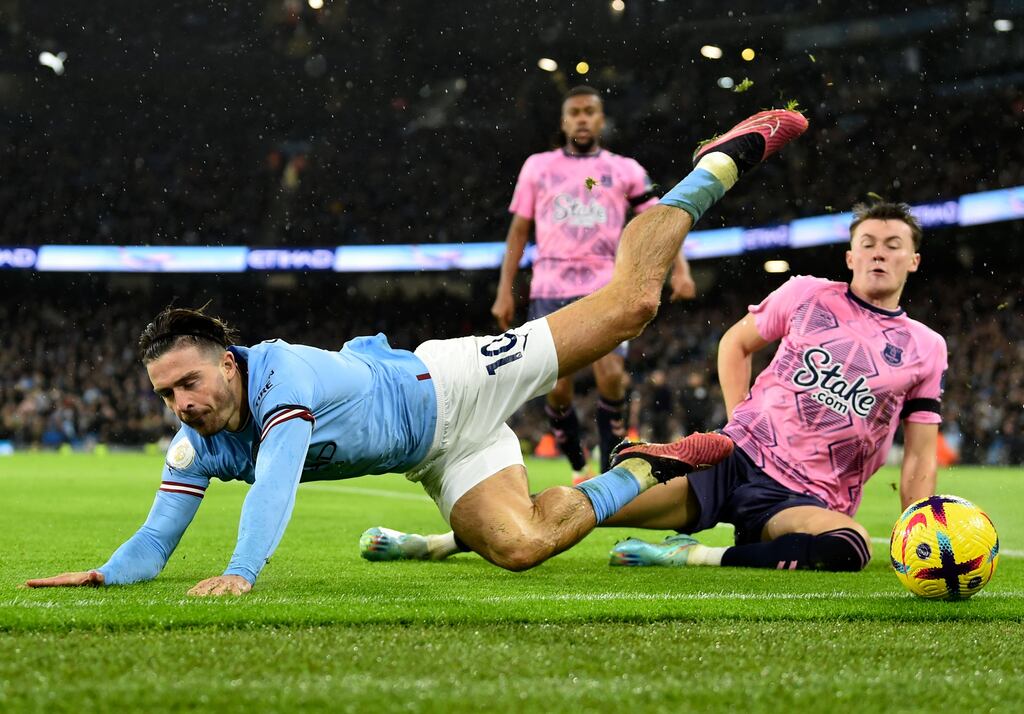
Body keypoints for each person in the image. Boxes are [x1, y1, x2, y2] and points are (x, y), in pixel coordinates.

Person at [25, 108, 807, 595]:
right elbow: (157, 538)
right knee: (521, 549)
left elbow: (273, 488)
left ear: (227, 360)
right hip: (436, 450)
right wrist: (105, 573)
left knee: (633, 305)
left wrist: (240, 572)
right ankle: (642, 469)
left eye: (188, 383)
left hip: (454, 382)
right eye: (166, 396)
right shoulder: (193, 441)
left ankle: (711, 168)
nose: (181, 406)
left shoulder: (279, 377)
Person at [363, 201, 945, 574]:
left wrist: (920, 528)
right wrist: (740, 419)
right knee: (580, 506)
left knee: (847, 548)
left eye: (893, 244)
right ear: (849, 255)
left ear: (915, 261)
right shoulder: (806, 294)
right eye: (869, 242)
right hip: (731, 458)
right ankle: (437, 543)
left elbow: (919, 458)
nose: (879, 252)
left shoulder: (926, 347)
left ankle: (696, 556)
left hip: (804, 498)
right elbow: (735, 344)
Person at [493, 85, 696, 482]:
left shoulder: (625, 169)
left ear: (601, 120)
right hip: (550, 288)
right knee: (557, 389)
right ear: (564, 121)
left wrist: (681, 269)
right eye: (575, 113)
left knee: (612, 377)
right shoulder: (538, 167)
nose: (582, 119)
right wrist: (505, 290)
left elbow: (659, 223)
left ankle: (607, 475)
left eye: (589, 111)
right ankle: (576, 464)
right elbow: (518, 231)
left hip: (606, 284)